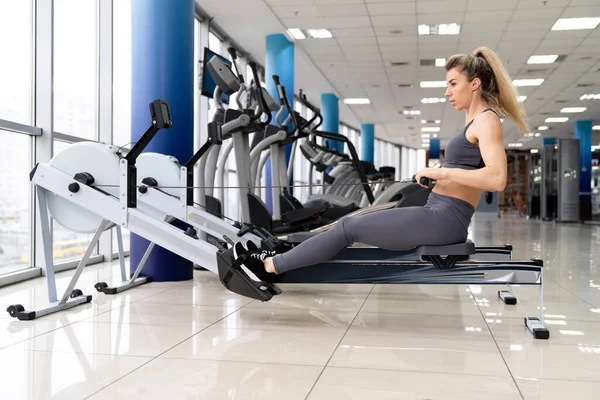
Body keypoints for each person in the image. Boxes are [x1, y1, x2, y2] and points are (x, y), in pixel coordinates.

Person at [233, 46, 528, 283]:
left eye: (453, 84)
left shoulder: (487, 121)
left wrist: (440, 172)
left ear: (474, 85)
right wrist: (436, 178)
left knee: (348, 227)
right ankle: (280, 252)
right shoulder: (474, 120)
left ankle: (268, 267)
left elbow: (497, 179)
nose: (447, 92)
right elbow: (467, 172)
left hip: (444, 221)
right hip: (436, 212)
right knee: (345, 223)